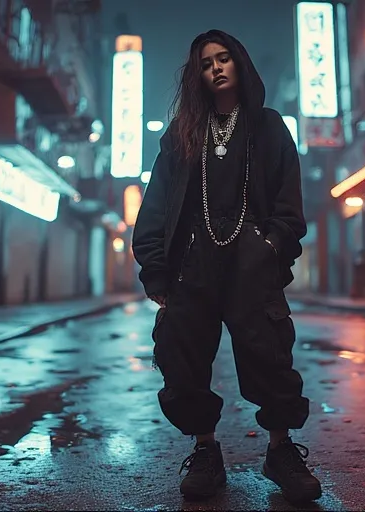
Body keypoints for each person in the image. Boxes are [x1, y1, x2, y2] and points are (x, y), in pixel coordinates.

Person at [132, 29, 321, 504]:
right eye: (205, 63)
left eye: (223, 59)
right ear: (196, 74)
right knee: (182, 357)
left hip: (251, 263)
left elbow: (288, 200)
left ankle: (281, 452)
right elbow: (155, 205)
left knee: (269, 354)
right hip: (190, 267)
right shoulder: (181, 135)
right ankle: (206, 452)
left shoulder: (268, 126)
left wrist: (270, 244)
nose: (215, 68)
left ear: (239, 63)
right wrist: (155, 267)